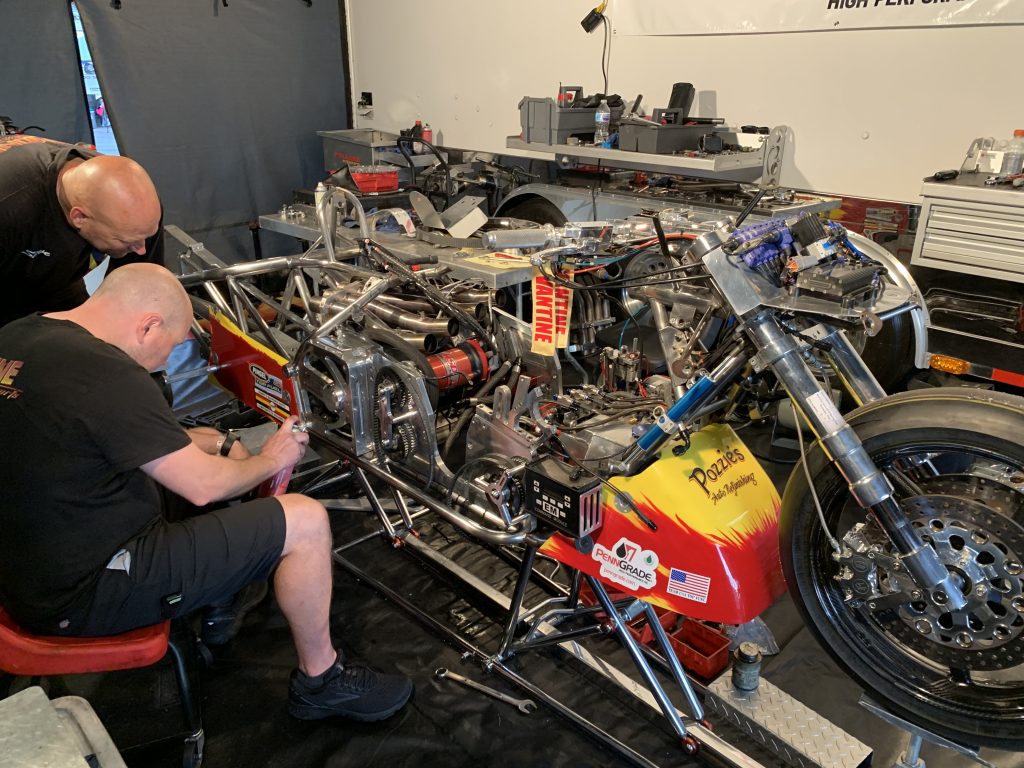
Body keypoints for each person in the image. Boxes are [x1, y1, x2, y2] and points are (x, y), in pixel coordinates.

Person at [0, 263, 413, 722]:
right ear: (148, 325)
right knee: (305, 520)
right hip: (84, 594)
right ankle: (322, 681)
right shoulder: (109, 374)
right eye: (172, 347)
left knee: (218, 473)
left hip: (25, 573)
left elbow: (134, 437)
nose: (165, 361)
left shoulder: (20, 335)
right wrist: (272, 459)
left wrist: (225, 442)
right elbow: (202, 486)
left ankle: (217, 599)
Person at [0, 138, 165, 328]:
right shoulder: (11, 205)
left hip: (59, 282)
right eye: (125, 241)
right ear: (79, 217)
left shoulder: (137, 212)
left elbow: (138, 293)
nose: (142, 249)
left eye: (146, 236)